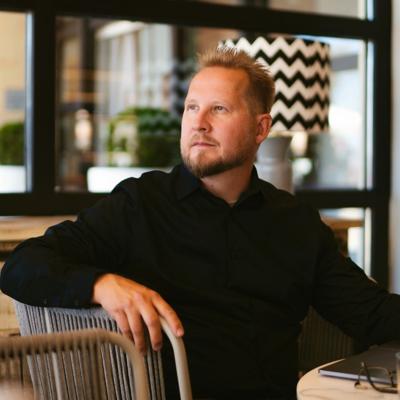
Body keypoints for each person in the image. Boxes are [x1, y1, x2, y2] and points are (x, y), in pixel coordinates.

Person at [1, 47, 400, 400]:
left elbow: (371, 313)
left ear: (261, 128)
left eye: (219, 109)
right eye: (192, 107)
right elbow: (22, 264)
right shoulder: (141, 204)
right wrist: (101, 284)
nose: (199, 122)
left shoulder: (296, 222)